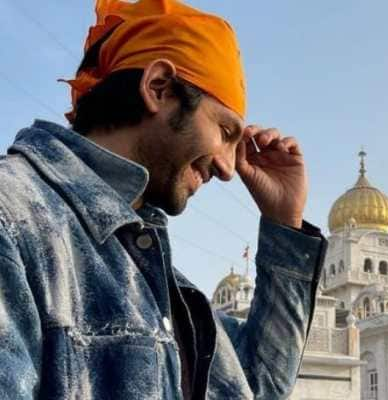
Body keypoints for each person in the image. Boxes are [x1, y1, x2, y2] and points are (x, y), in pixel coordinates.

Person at [0, 0, 327, 399]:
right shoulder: (15, 218)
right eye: (225, 131)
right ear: (158, 87)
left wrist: (284, 223)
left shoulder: (160, 281)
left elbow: (254, 386)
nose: (228, 167)